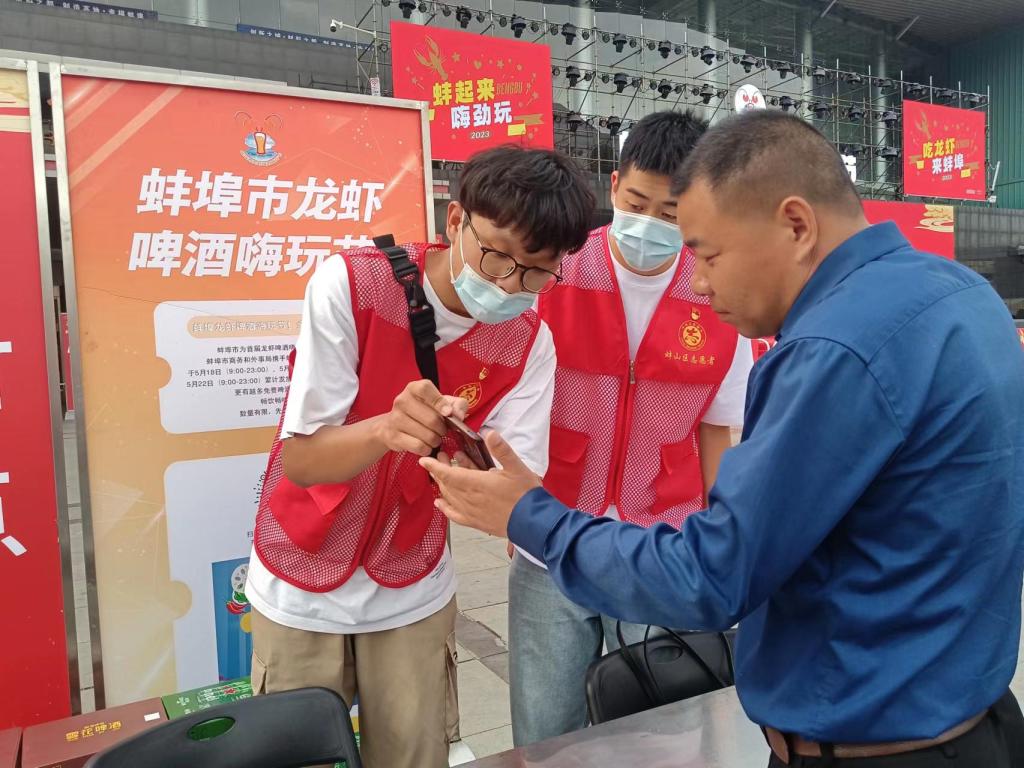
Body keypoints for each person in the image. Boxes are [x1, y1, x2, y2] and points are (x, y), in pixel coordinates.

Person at [423, 111, 1024, 767]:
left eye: (708, 254)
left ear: (795, 225)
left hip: (872, 742)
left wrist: (527, 516)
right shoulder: (962, 295)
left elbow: (713, 574)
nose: (700, 283)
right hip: (969, 717)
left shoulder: (834, 350)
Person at [246, 145, 595, 768]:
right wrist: (386, 429)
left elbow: (510, 481)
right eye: (497, 256)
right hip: (302, 579)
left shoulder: (529, 341)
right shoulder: (352, 286)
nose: (509, 284)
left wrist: (474, 470)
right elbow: (300, 460)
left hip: (414, 585)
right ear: (456, 219)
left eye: (536, 273)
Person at [509, 109, 752, 746]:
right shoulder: (555, 272)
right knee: (545, 733)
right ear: (613, 185)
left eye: (671, 213)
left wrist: (719, 542)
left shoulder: (718, 293)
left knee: (662, 732)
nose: (649, 224)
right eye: (637, 203)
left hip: (661, 545)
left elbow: (718, 433)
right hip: (551, 536)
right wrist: (515, 509)